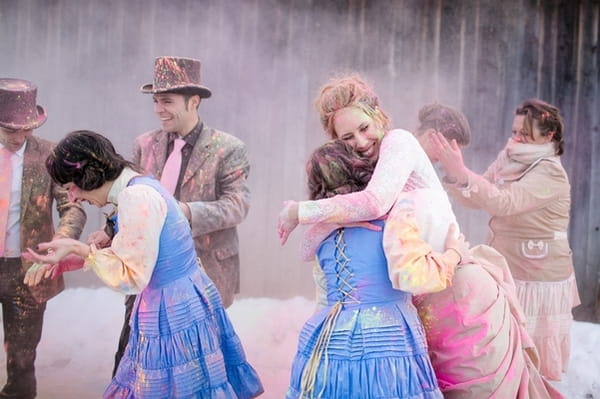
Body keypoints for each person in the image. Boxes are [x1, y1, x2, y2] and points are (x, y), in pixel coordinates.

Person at [279, 75, 562, 397]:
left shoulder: (399, 143)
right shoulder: (371, 179)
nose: (360, 141)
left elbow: (374, 203)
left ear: (378, 116)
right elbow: (350, 225)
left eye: (364, 127)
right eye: (347, 137)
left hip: (455, 294)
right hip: (423, 293)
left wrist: (299, 212)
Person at [23, 130, 263, 398]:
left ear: (88, 176)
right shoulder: (140, 185)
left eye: (71, 188)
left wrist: (81, 250)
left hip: (171, 313)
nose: (72, 198)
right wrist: (75, 260)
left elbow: (132, 276)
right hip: (181, 299)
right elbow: (139, 252)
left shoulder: (136, 198)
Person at [111, 56, 251, 376]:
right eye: (156, 101)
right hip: (149, 266)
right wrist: (109, 229)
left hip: (204, 268)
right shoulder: (144, 144)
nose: (159, 108)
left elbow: (237, 205)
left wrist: (184, 213)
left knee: (200, 360)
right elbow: (128, 199)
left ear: (194, 102)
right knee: (132, 348)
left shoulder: (227, 148)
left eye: (168, 101)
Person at [286, 140, 450, 399]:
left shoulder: (318, 236)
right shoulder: (394, 219)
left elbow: (314, 276)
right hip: (387, 336)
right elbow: (416, 277)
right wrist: (454, 255)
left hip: (328, 338)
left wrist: (327, 220)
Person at [430, 98, 579, 381]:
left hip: (536, 274)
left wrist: (463, 173)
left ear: (548, 136)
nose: (516, 138)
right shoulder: (509, 156)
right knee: (504, 340)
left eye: (525, 133)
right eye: (514, 131)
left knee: (530, 349)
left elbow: (505, 203)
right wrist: (455, 176)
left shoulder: (550, 171)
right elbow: (476, 197)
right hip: (506, 260)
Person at [0, 78, 86, 399]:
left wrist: (63, 240)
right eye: (10, 130)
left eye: (26, 129)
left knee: (22, 360)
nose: (19, 136)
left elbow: (73, 208)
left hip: (29, 270)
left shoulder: (50, 155)